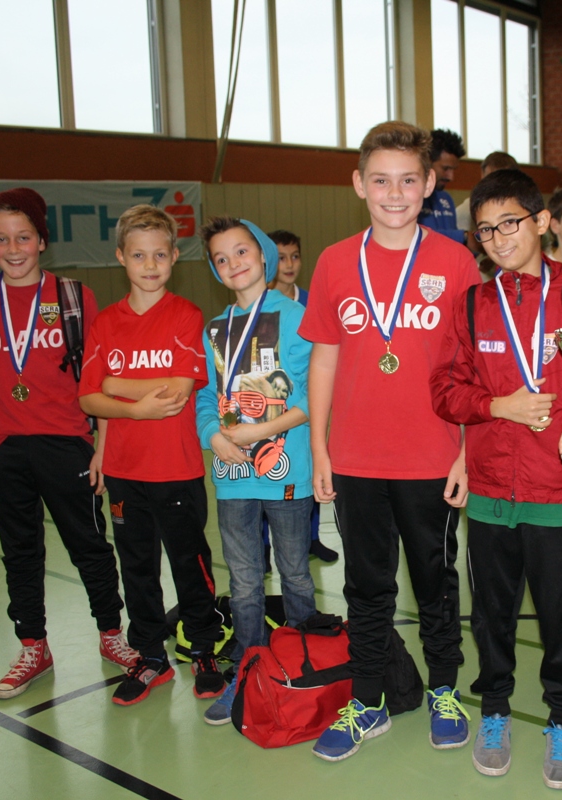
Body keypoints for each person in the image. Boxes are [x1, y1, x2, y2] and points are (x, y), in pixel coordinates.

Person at [429, 167, 562, 790]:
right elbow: (445, 389)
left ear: (541, 221)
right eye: (485, 230)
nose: (498, 238)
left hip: (560, 491)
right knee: (491, 617)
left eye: (509, 223)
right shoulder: (472, 303)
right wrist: (496, 406)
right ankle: (495, 711)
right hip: (489, 493)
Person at [300, 121, 478, 761]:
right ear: (359, 184)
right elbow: (323, 358)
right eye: (381, 180)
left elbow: (472, 368)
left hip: (432, 457)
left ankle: (444, 691)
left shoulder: (454, 261)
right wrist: (320, 449)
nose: (394, 193)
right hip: (356, 459)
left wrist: (466, 452)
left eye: (407, 180)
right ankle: (368, 700)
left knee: (435, 584)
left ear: (429, 184)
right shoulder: (334, 261)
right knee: (366, 587)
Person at [0, 187, 137, 700]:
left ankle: (111, 634)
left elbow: (99, 379)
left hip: (67, 442)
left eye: (23, 237)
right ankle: (33, 646)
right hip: (1, 448)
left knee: (89, 546)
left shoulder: (73, 298)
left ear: (41, 241)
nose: (13, 249)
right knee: (19, 552)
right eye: (1, 239)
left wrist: (102, 446)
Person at [78, 204, 226, 707]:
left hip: (176, 468)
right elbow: (88, 398)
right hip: (124, 472)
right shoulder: (105, 323)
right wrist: (130, 410)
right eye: (139, 255)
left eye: (159, 255)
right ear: (121, 257)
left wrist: (116, 385)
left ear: (174, 257)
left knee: (189, 563)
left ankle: (203, 648)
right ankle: (149, 656)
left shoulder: (185, 315)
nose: (149, 265)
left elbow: (179, 391)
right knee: (137, 566)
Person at [195, 216, 320, 724]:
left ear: (264, 255)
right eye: (221, 258)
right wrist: (215, 436)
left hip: (286, 473)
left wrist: (258, 432)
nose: (233, 263)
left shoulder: (297, 317)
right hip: (232, 479)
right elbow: (206, 396)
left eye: (242, 251)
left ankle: (308, 666)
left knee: (295, 574)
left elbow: (312, 396)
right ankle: (247, 674)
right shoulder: (214, 329)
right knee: (245, 582)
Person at [264, 228, 338, 564]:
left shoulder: (313, 300)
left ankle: (312, 538)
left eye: (295, 256)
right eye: (281, 258)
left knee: (310, 469)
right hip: (272, 403)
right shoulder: (261, 304)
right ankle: (264, 546)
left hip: (309, 402)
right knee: (266, 472)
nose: (289, 264)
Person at [420, 128, 468, 245]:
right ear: (427, 162)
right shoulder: (410, 198)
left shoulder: (446, 199)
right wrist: (463, 237)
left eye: (453, 169)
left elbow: (454, 246)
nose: (451, 177)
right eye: (446, 168)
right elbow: (413, 235)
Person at [458, 150, 520, 240]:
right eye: (490, 179)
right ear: (482, 177)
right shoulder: (466, 211)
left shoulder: (525, 206)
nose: (494, 185)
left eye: (501, 179)